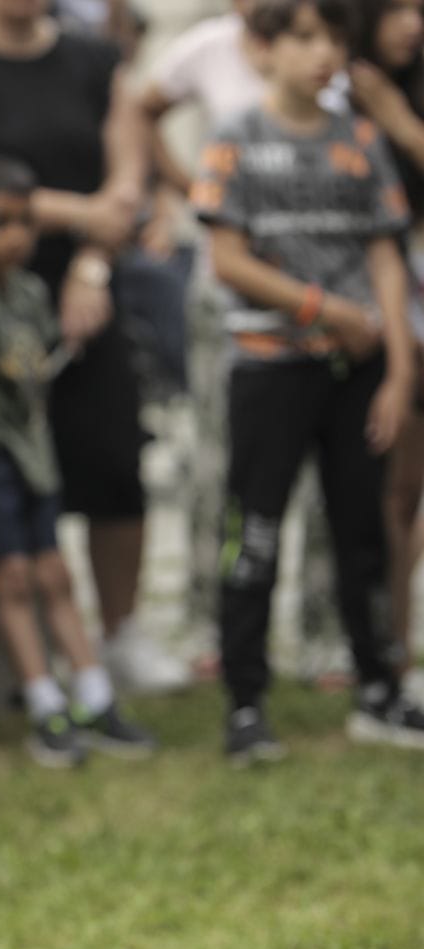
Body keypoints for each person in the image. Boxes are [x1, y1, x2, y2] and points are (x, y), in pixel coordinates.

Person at [191, 0, 424, 764]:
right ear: (264, 48)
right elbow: (228, 258)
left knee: (361, 530)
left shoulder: (360, 140)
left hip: (357, 373)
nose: (322, 54)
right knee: (254, 533)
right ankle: (246, 703)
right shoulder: (235, 139)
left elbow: (387, 254)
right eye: (303, 38)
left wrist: (395, 361)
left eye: (333, 38)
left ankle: (379, 686)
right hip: (270, 367)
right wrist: (323, 308)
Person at [0, 0, 191, 695]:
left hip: (94, 280)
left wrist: (91, 260)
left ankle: (120, 632)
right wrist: (87, 212)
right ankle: (36, 646)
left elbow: (127, 172)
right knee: (16, 467)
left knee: (116, 455)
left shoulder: (93, 58)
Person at [0, 157, 155, 768]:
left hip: (33, 455)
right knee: (13, 578)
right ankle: (43, 704)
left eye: (25, 223)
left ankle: (94, 696)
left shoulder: (32, 292)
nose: (15, 237)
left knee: (56, 574)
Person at [345, 0, 424, 699]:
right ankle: (392, 651)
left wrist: (399, 121)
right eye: (397, 9)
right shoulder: (334, 82)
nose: (411, 25)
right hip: (381, 306)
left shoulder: (396, 95)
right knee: (394, 493)